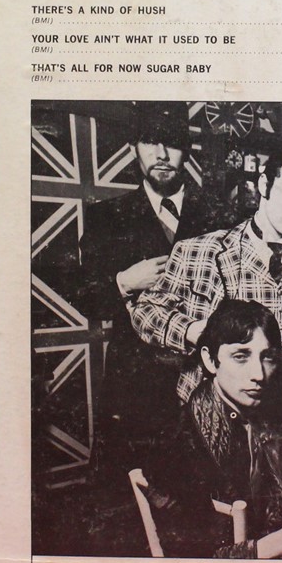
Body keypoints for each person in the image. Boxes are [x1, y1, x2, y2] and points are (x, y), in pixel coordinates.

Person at [132, 138, 282, 433]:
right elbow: (144, 311)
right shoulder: (201, 250)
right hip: (214, 429)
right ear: (264, 185)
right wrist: (192, 331)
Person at [143, 299, 282, 559]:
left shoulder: (271, 419)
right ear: (209, 359)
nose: (259, 375)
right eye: (240, 357)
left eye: (268, 358)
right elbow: (190, 560)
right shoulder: (177, 442)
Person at [80, 105, 215, 468]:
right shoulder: (106, 217)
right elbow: (88, 301)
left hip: (202, 379)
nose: (161, 154)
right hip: (134, 385)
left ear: (187, 150)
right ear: (132, 149)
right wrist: (124, 281)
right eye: (149, 142)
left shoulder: (219, 215)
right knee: (128, 490)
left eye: (172, 143)